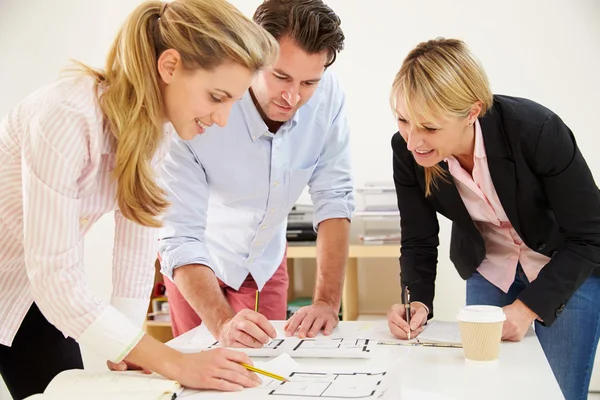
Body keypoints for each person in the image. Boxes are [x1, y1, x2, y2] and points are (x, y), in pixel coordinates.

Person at [0, 0, 279, 398]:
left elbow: (134, 251)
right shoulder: (65, 118)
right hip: (38, 286)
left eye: (233, 102)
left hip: (30, 298)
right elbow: (57, 277)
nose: (222, 119)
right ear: (170, 67)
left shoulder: (156, 135)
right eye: (217, 97)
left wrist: (130, 348)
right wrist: (172, 361)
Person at [386, 37, 600, 400]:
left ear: (472, 111)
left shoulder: (537, 131)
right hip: (491, 269)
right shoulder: (406, 152)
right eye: (404, 120)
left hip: (564, 268)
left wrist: (528, 308)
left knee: (559, 392)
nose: (413, 140)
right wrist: (417, 301)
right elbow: (419, 239)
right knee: (486, 389)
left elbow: (591, 235)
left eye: (429, 127)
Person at [158, 0, 354, 347]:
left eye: (309, 82)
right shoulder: (197, 108)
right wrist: (222, 324)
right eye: (280, 76)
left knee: (266, 369)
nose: (293, 96)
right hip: (194, 260)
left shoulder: (329, 97)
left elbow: (334, 197)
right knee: (198, 368)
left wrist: (326, 302)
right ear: (254, 56)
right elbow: (179, 235)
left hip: (263, 263)